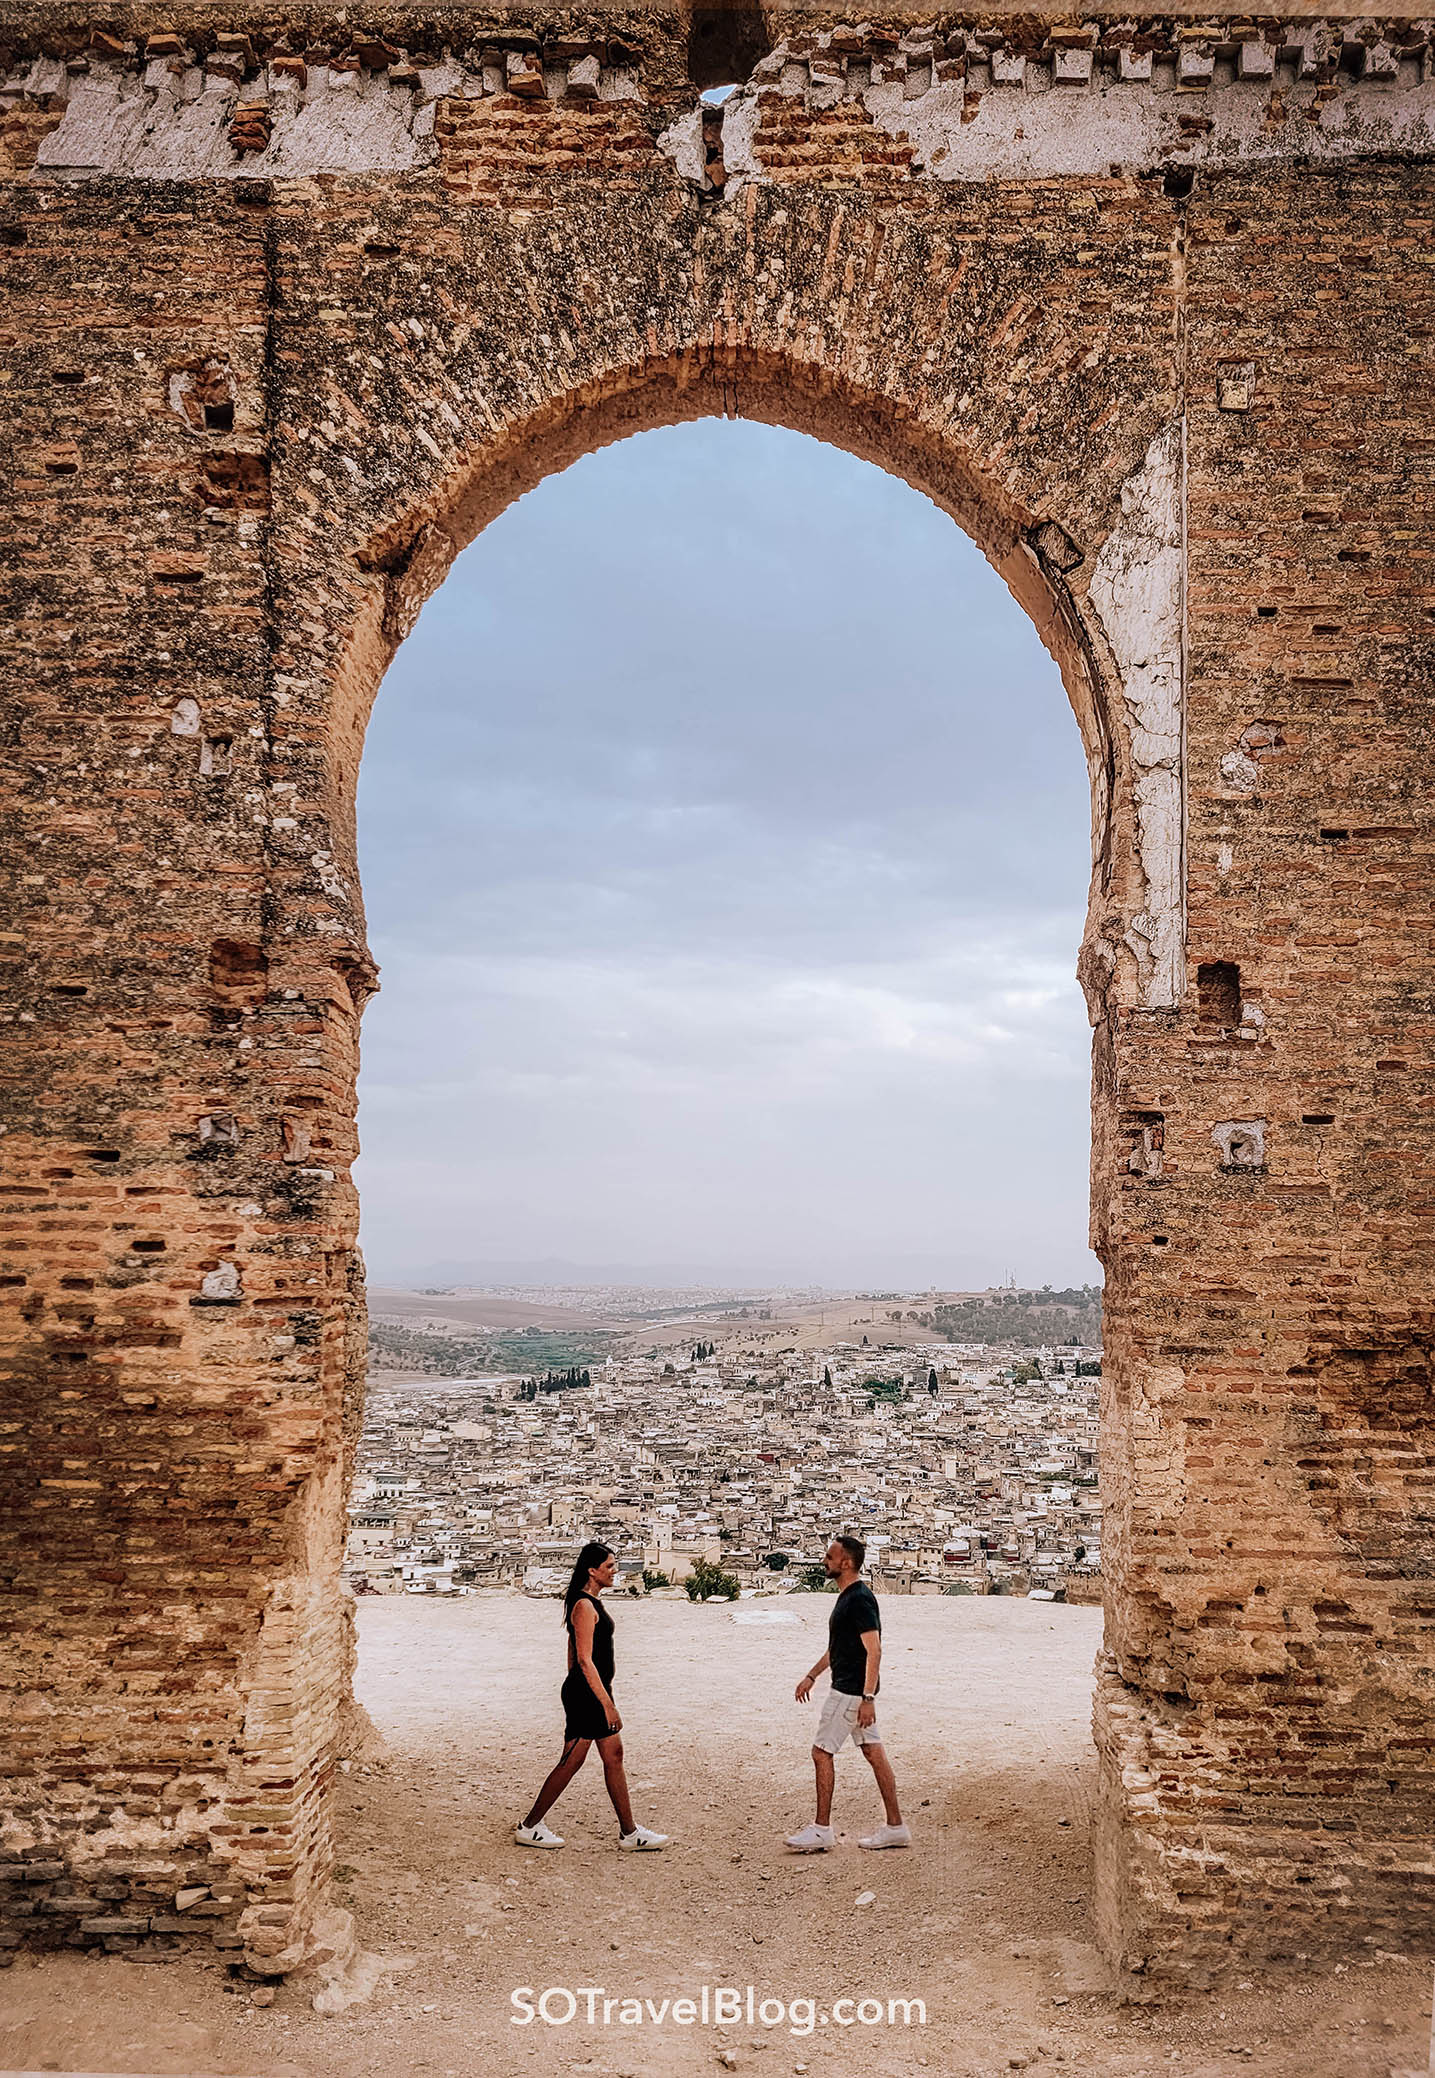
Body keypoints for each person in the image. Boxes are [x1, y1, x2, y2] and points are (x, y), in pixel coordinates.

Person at [516, 1541, 667, 1851]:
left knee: (613, 1757)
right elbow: (584, 1659)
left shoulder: (588, 1603)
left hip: (588, 1690)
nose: (615, 1571)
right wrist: (606, 1704)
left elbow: (573, 1654)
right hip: (589, 1694)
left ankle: (629, 1832)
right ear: (592, 1570)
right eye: (609, 1566)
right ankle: (530, 1826)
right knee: (571, 1761)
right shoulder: (585, 1606)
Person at [785, 1534, 910, 1852]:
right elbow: (838, 1648)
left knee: (821, 1753)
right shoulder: (849, 1597)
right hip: (855, 1691)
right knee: (874, 1753)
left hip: (850, 1693)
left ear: (846, 1562)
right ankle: (896, 1826)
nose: (825, 1561)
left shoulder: (858, 1599)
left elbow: (875, 1650)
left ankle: (821, 1829)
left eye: (830, 1557)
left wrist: (868, 1698)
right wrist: (812, 1675)